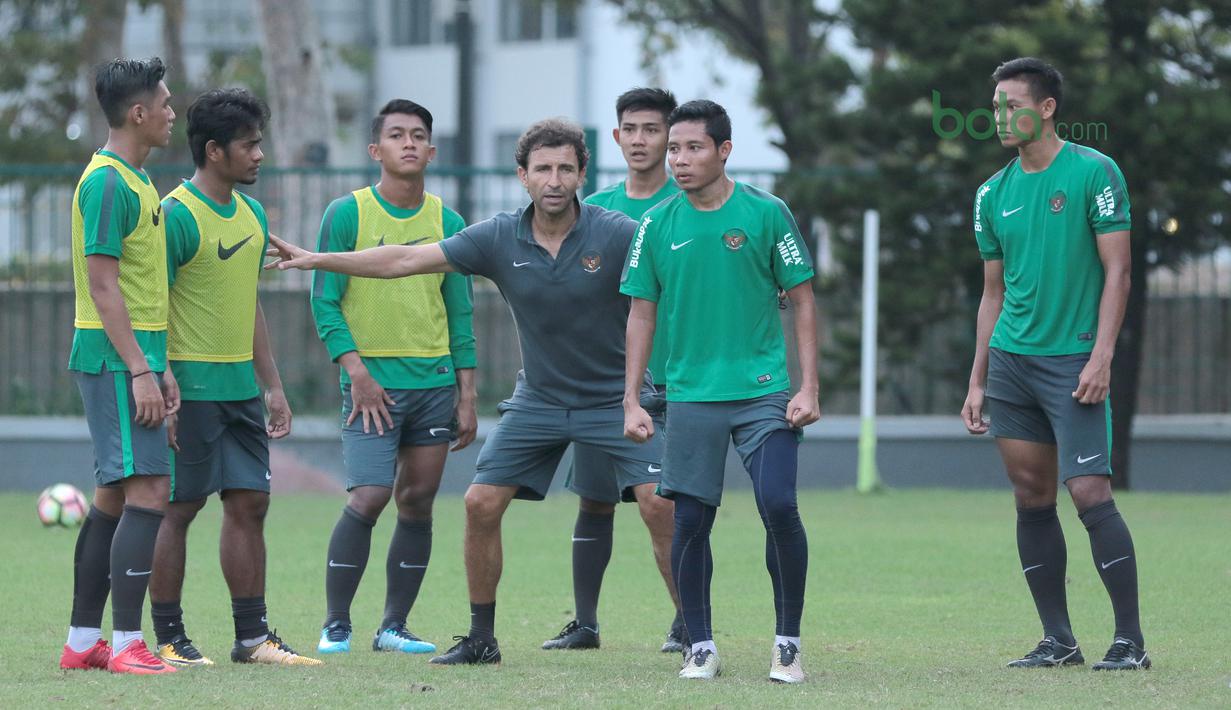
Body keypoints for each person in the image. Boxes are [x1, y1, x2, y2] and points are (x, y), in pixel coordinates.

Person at [265, 118, 671, 666]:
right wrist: (317, 259)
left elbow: (675, 283)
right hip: (541, 401)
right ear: (522, 176)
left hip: (613, 399)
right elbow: (404, 260)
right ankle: (482, 639)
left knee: (659, 506)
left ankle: (695, 633)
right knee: (479, 502)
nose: (554, 179)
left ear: (581, 175)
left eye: (566, 169)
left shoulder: (618, 232)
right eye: (543, 169)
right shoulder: (498, 236)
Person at [621, 99, 821, 683]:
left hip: (764, 393)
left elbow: (803, 299)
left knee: (779, 505)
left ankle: (787, 644)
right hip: (689, 397)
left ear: (724, 150)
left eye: (692, 147)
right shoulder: (656, 224)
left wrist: (808, 386)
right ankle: (700, 645)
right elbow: (640, 312)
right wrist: (632, 399)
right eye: (674, 148)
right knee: (690, 522)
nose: (678, 159)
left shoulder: (768, 213)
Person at [962, 57, 1147, 671]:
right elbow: (992, 292)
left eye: (1010, 103)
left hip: (1074, 360)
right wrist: (979, 376)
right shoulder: (992, 193)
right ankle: (1058, 640)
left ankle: (1129, 643)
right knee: (1031, 495)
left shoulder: (1096, 173)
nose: (999, 115)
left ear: (1044, 108)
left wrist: (1101, 356)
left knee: (1090, 492)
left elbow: (1118, 272)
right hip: (1013, 361)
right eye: (993, 106)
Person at [146, 88, 319, 668]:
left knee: (250, 504)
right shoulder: (175, 216)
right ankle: (169, 636)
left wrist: (273, 386)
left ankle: (252, 637)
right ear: (215, 150)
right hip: (188, 394)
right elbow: (151, 307)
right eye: (250, 145)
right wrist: (162, 381)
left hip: (241, 392)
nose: (260, 155)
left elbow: (249, 306)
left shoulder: (252, 214)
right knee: (180, 508)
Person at [310, 99, 477, 656]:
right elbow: (325, 303)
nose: (409, 143)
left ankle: (393, 627)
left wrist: (467, 393)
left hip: (433, 387)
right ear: (374, 149)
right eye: (397, 135)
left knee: (418, 500)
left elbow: (460, 313)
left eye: (419, 136)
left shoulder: (448, 223)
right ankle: (336, 623)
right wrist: (356, 371)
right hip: (370, 387)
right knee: (369, 496)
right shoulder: (347, 214)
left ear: (432, 151)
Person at [545, 87, 684, 653]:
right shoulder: (592, 210)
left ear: (671, 138)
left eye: (652, 129)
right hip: (603, 386)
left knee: (662, 502)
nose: (640, 140)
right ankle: (585, 624)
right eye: (630, 128)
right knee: (596, 500)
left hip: (676, 381)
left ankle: (687, 621)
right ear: (616, 135)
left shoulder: (692, 203)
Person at [59, 57, 181, 675]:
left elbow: (138, 288)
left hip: (133, 359)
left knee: (111, 494)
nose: (171, 111)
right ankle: (129, 642)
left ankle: (83, 644)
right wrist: (137, 367)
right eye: (164, 102)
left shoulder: (134, 181)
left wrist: (159, 365)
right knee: (149, 488)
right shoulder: (107, 182)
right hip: (113, 360)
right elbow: (103, 286)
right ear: (138, 113)